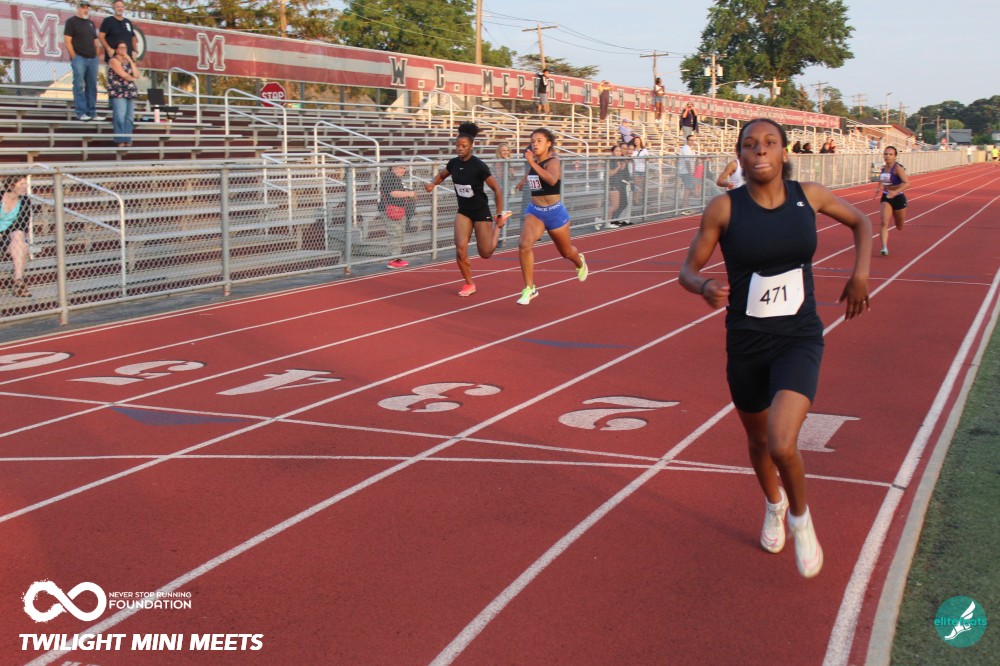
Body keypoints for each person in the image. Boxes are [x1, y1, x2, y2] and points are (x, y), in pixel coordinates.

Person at [679, 118, 871, 579]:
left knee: (783, 442)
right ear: (740, 157)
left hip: (799, 337)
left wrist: (860, 275)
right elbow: (687, 269)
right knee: (759, 440)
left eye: (769, 143)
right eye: (750, 145)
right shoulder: (724, 208)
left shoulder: (811, 196)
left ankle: (801, 521)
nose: (760, 151)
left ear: (784, 152)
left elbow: (861, 222)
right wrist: (703, 285)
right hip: (746, 342)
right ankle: (773, 504)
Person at [425, 122, 506, 297]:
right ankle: (469, 283)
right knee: (460, 249)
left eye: (464, 146)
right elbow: (442, 175)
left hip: (480, 211)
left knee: (486, 253)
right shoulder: (453, 163)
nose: (460, 149)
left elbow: (497, 189)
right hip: (464, 211)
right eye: (458, 145)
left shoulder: (479, 165)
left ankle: (498, 228)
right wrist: (432, 183)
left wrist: (499, 214)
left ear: (471, 146)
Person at [515, 128, 588, 305]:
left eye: (539, 141)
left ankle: (579, 262)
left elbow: (552, 180)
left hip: (554, 212)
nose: (535, 144)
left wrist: (531, 163)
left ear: (548, 144)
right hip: (536, 211)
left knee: (566, 252)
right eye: (533, 141)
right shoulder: (534, 163)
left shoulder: (553, 161)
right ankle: (530, 288)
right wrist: (522, 182)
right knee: (524, 245)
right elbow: (532, 174)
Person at [63, 1, 102, 122]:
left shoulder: (91, 23)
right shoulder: (71, 22)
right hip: (79, 57)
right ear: (78, 8)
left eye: (87, 8)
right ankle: (81, 113)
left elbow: (96, 41)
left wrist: (96, 55)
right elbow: (67, 41)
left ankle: (92, 112)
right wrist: (74, 56)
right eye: (83, 7)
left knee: (92, 86)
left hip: (92, 58)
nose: (86, 10)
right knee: (79, 85)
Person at [872, 145, 909, 256]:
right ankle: (884, 247)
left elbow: (907, 183)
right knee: (884, 222)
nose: (887, 156)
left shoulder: (898, 169)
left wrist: (895, 192)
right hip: (886, 197)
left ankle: (896, 216)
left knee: (899, 226)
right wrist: (879, 188)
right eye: (886, 154)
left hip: (898, 198)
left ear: (895, 156)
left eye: (890, 154)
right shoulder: (883, 168)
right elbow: (882, 178)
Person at [380, 162, 418, 269]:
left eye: (405, 168)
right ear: (394, 168)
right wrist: (409, 194)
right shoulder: (389, 178)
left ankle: (396, 257)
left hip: (399, 209)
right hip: (391, 210)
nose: (404, 170)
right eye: (401, 168)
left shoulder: (397, 178)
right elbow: (393, 193)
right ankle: (393, 259)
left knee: (399, 234)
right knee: (395, 234)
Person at [1, 175, 32, 298]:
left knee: (19, 236)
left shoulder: (25, 201)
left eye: (26, 184)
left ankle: (18, 282)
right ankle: (19, 284)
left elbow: (22, 226)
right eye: (21, 184)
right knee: (23, 247)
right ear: (11, 185)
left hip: (7, 238)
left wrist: (3, 234)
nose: (25, 186)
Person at [106, 42, 139, 147]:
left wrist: (130, 60)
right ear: (116, 49)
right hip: (118, 91)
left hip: (130, 91)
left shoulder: (128, 61)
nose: (123, 49)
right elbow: (123, 74)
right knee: (120, 116)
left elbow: (137, 74)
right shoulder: (113, 60)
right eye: (120, 48)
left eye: (124, 47)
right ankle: (120, 139)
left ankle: (127, 139)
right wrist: (132, 78)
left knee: (129, 117)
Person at [606, 144, 631, 227]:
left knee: (615, 206)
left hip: (618, 185)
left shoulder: (620, 161)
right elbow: (609, 173)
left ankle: (607, 221)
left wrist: (621, 168)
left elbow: (622, 173)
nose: (619, 152)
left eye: (620, 151)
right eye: (616, 151)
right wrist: (618, 167)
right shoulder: (610, 161)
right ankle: (606, 221)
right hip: (612, 185)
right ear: (612, 152)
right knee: (614, 206)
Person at [678, 133, 698, 213]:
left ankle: (685, 205)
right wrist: (690, 172)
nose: (692, 142)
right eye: (691, 140)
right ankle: (685, 206)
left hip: (686, 171)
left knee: (688, 188)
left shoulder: (689, 149)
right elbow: (687, 161)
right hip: (685, 171)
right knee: (688, 188)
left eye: (693, 140)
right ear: (687, 140)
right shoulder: (686, 149)